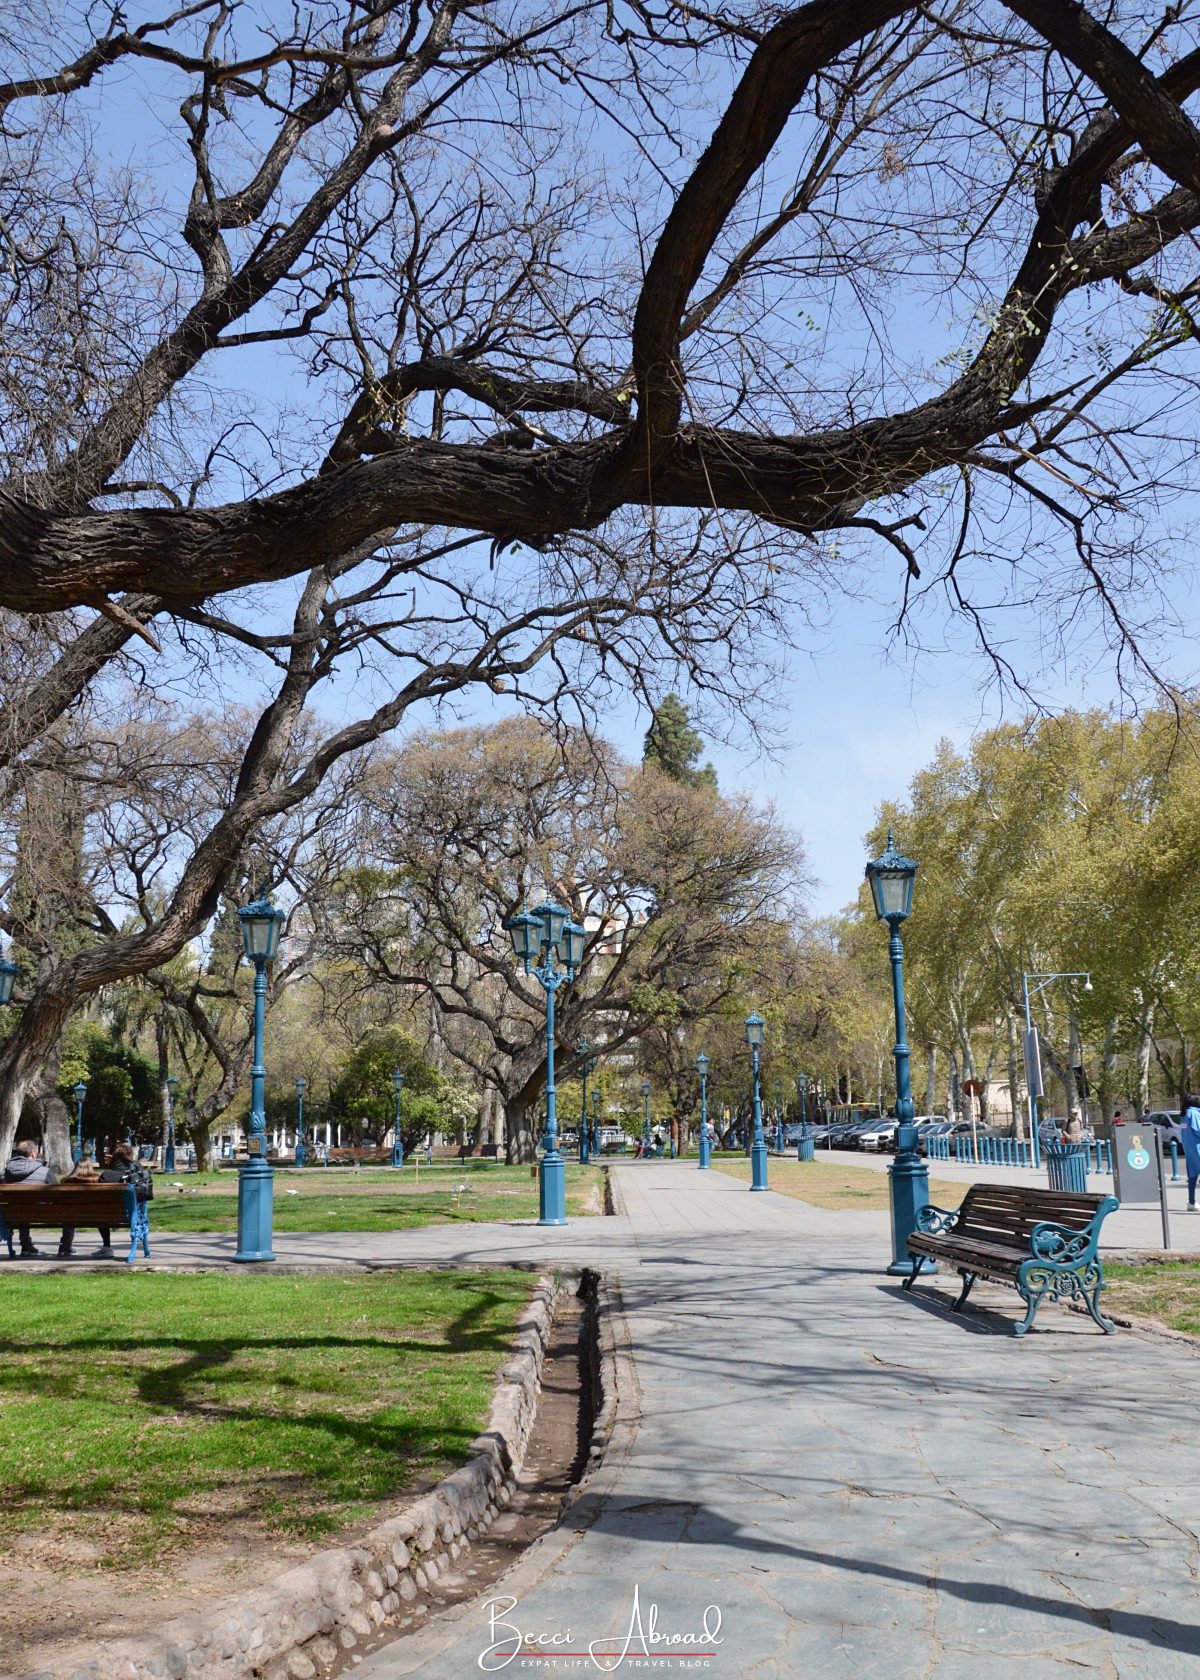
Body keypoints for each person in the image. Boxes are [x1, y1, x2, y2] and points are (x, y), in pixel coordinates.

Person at [3, 1139, 57, 1257]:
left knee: (21, 1207)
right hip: (41, 1212)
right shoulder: (45, 1171)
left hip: (13, 1212)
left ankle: (26, 1246)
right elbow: (56, 1193)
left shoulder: (6, 1172)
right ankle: (65, 1247)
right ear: (33, 1153)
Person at [95, 1142, 139, 1258]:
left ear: (114, 1157)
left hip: (108, 1214)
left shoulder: (106, 1175)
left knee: (100, 1212)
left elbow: (99, 1197)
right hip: (132, 1213)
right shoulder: (136, 1173)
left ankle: (107, 1246)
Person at [55, 1155, 101, 1259]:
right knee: (70, 1214)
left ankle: (65, 1247)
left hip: (70, 1214)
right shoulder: (97, 1180)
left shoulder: (65, 1181)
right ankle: (106, 1246)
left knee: (68, 1214)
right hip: (95, 1213)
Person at [1181, 1095, 1200, 1214]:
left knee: (1192, 1177)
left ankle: (1191, 1202)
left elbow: (1183, 1132)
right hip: (1198, 1148)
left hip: (1189, 1149)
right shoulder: (1194, 1113)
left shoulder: (1183, 1115)